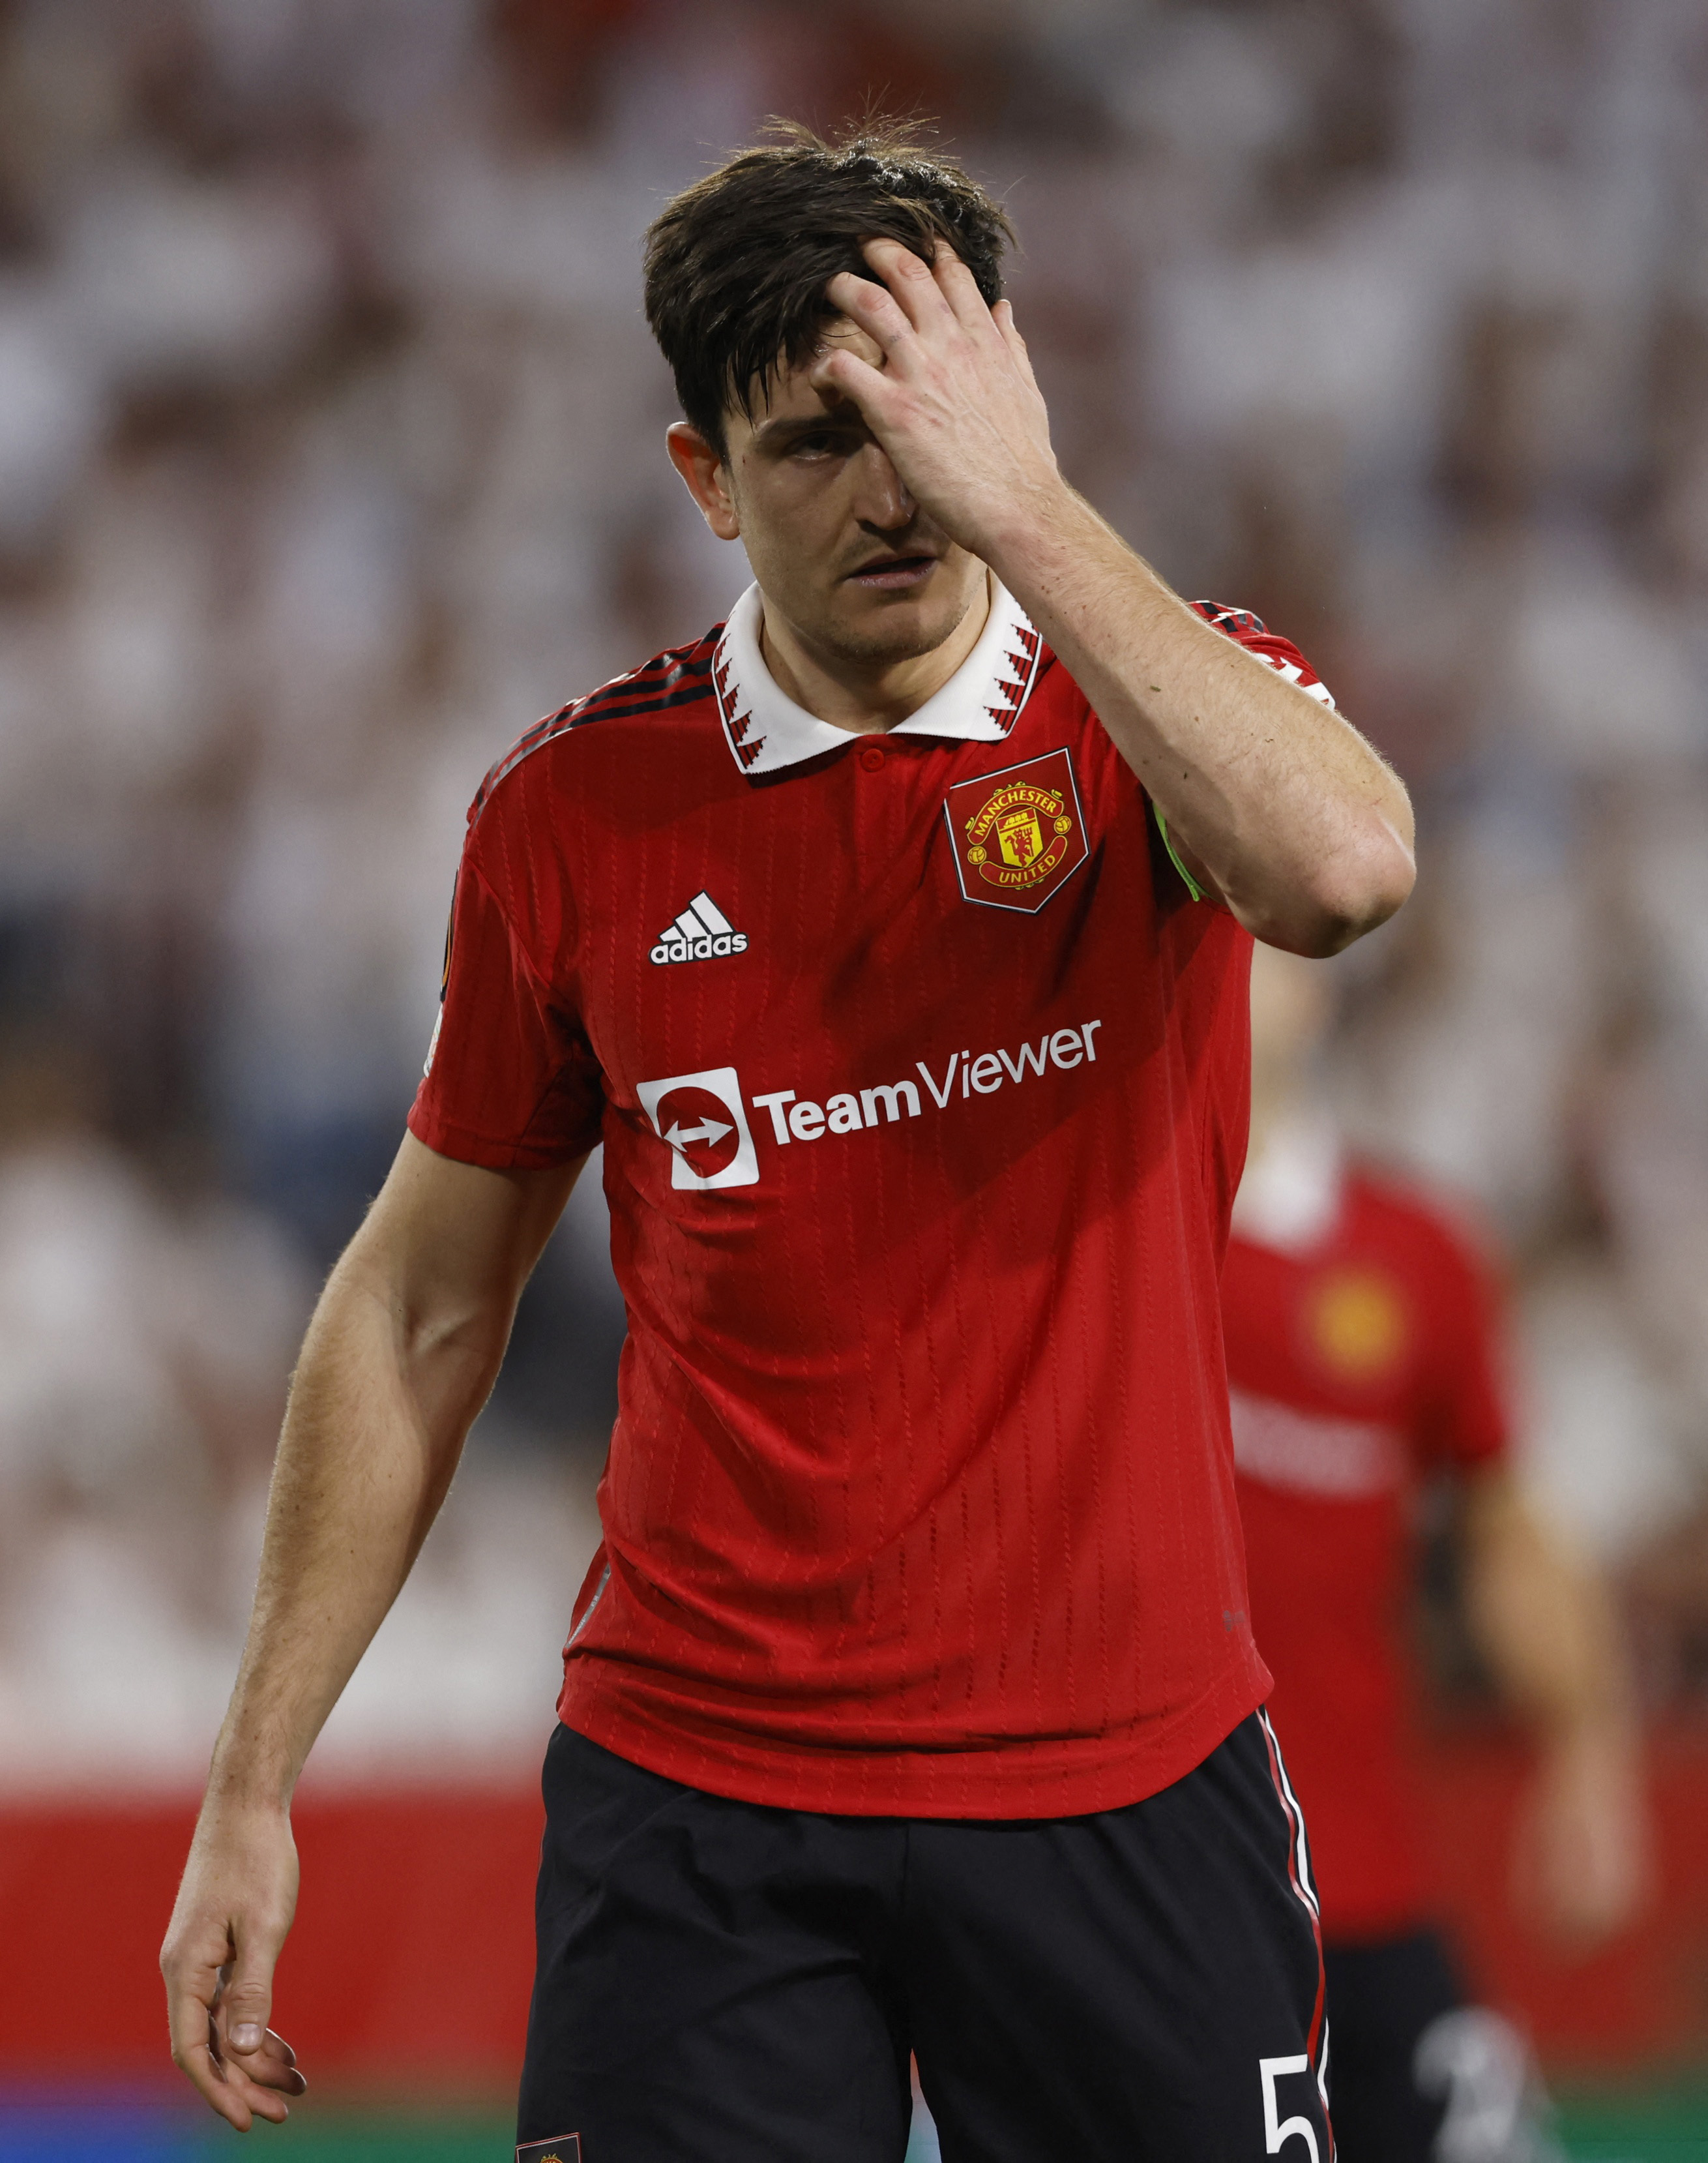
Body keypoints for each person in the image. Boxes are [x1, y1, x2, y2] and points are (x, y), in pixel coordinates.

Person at [160, 117, 1415, 2159]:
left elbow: (1345, 870)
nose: (891, 487)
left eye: (922, 416)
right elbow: (415, 1305)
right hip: (705, 1791)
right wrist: (252, 1772)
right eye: (815, 438)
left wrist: (1030, 503)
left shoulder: (1149, 704)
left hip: (1121, 1763)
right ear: (704, 482)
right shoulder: (571, 817)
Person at [1224, 943, 1649, 2162]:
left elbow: (1506, 1518)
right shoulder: (1116, 1226)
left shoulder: (1419, 1254)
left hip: (1372, 1879)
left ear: (1314, 981)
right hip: (1168, 1879)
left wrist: (1588, 1747)